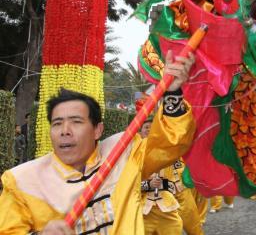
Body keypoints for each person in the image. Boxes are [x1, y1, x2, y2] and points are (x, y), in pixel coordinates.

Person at [0, 50, 195, 235]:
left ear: (97, 130)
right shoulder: (23, 181)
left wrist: (173, 92)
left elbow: (171, 142)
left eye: (76, 122)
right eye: (57, 123)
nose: (65, 131)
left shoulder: (125, 153)